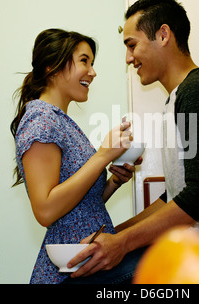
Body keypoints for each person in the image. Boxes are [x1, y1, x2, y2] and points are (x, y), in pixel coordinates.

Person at [68, 0, 199, 279]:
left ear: (163, 35)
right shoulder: (177, 99)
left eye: (132, 45)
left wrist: (122, 243)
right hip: (194, 241)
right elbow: (176, 198)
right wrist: (115, 234)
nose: (129, 58)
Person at [10, 28, 144, 284]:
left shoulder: (61, 121)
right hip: (71, 273)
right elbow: (46, 210)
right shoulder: (41, 121)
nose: (93, 72)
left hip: (86, 264)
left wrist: (114, 182)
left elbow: (80, 207)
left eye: (92, 63)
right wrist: (103, 156)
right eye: (84, 61)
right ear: (52, 67)